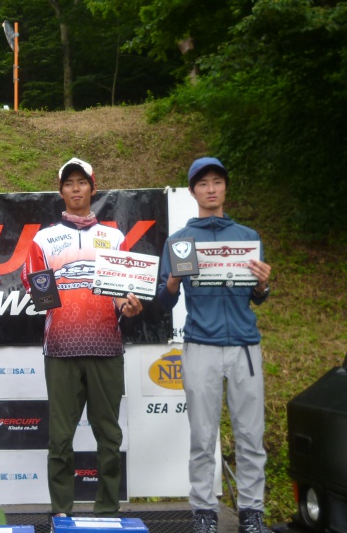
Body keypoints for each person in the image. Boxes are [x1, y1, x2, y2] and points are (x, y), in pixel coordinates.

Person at [21, 157, 143, 518]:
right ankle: (61, 510)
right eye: (69, 183)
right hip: (60, 348)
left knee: (109, 433)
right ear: (61, 191)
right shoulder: (43, 239)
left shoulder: (114, 237)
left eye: (82, 182)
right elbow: (34, 286)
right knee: (60, 437)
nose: (76, 189)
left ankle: (107, 509)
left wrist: (129, 305)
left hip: (107, 346)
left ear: (93, 187)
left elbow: (125, 293)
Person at [157, 157, 272, 533]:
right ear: (192, 191)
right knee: (203, 435)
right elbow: (165, 301)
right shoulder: (180, 241)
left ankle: (252, 511)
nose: (210, 188)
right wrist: (173, 282)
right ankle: (204, 511)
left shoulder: (247, 237)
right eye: (203, 183)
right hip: (201, 345)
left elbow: (258, 297)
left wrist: (262, 285)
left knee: (251, 435)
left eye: (217, 182)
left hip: (244, 347)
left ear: (225, 188)